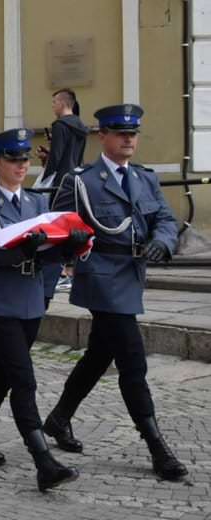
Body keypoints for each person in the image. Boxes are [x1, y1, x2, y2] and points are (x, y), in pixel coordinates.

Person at [44, 104, 188, 481]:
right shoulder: (82, 181)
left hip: (131, 273)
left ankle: (59, 419)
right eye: (119, 132)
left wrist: (163, 241)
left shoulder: (145, 179)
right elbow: (57, 227)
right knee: (132, 359)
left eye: (133, 133)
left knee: (98, 354)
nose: (128, 139)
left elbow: (165, 219)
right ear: (102, 136)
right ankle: (157, 446)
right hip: (100, 275)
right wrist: (70, 247)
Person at [0, 128, 83, 492]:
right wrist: (27, 249)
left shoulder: (36, 203)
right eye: (13, 159)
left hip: (31, 301)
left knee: (3, 374)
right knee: (23, 379)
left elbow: (50, 253)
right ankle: (43, 460)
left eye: (25, 159)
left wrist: (69, 250)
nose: (21, 165)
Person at [38, 89, 89, 303]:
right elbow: (75, 156)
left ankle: (60, 273)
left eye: (53, 102)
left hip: (59, 182)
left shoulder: (60, 125)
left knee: (54, 224)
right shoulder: (81, 126)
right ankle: (72, 270)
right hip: (76, 178)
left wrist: (45, 176)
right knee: (72, 225)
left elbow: (57, 157)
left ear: (61, 103)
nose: (52, 107)